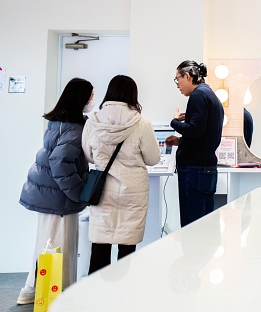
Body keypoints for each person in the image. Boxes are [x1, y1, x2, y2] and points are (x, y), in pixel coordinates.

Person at [17, 78, 94, 304]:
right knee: (62, 248)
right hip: (59, 198)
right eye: (90, 96)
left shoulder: (58, 122)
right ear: (80, 98)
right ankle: (62, 296)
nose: (92, 100)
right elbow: (60, 163)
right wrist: (79, 193)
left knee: (46, 245)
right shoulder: (75, 129)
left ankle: (31, 291)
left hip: (47, 194)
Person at [82, 75, 160, 274]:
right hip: (132, 192)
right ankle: (124, 296)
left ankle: (96, 297)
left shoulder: (92, 122)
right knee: (127, 246)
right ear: (133, 95)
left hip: (102, 190)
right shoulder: (142, 124)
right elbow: (152, 159)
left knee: (100, 243)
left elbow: (88, 155)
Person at [165, 61, 224, 227]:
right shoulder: (211, 95)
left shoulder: (198, 95)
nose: (178, 85)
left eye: (178, 80)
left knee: (191, 228)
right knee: (205, 227)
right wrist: (181, 141)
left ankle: (191, 254)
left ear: (188, 76)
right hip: (207, 169)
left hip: (194, 171)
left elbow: (195, 130)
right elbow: (203, 134)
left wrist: (174, 122)